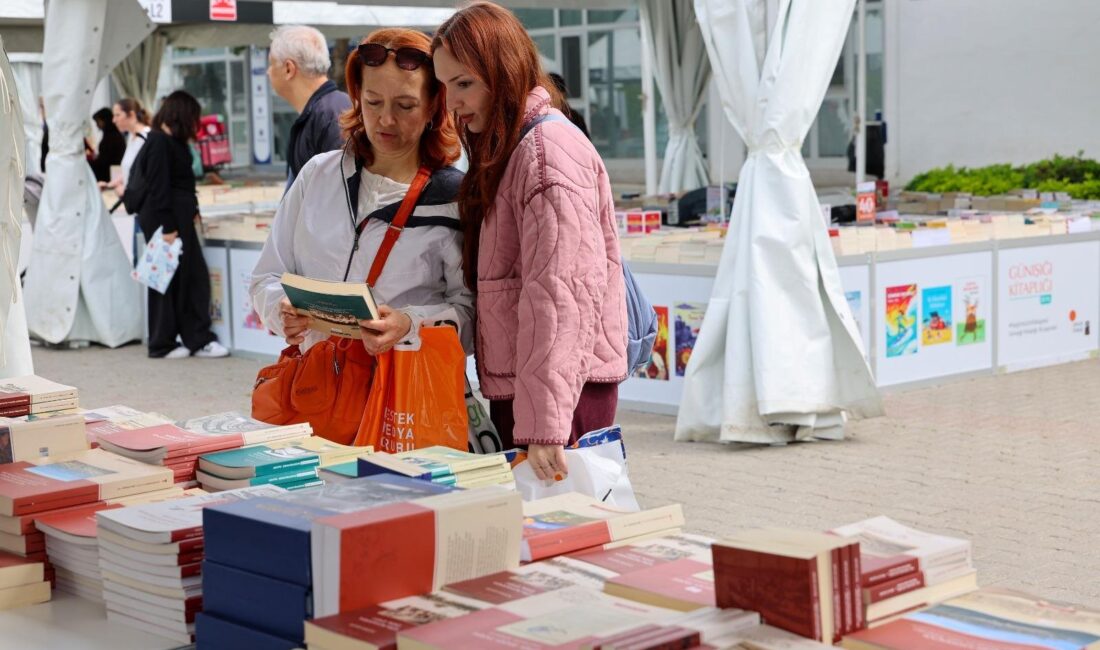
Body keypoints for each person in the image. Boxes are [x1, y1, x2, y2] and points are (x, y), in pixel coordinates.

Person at [432, 2, 627, 480]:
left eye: (464, 83)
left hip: (557, 395)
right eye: (444, 85)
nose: (451, 102)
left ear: (504, 71)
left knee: (562, 531)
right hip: (536, 387)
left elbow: (561, 292)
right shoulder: (515, 147)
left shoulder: (546, 153)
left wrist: (544, 424)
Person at [251, 29, 473, 362]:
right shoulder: (317, 175)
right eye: (372, 101)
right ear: (357, 98)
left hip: (410, 397)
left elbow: (474, 315)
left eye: (405, 105)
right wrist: (278, 309)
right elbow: (266, 276)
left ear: (433, 106)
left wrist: (410, 325)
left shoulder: (453, 198)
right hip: (326, 390)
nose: (386, 119)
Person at [135, 91, 228, 359]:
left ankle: (177, 339)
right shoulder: (160, 142)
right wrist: (168, 227)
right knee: (178, 281)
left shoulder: (166, 141)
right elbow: (159, 186)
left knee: (182, 280)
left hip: (176, 219)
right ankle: (175, 341)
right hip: (170, 222)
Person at [268, 25, 353, 191]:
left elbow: (341, 196)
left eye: (271, 64)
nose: (268, 72)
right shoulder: (325, 111)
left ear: (288, 69)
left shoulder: (332, 116)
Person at [108, 98, 152, 199]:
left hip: (146, 203)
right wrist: (112, 184)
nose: (114, 120)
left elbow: (147, 174)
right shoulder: (131, 137)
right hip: (135, 202)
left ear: (131, 115)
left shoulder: (147, 137)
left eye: (118, 115)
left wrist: (126, 191)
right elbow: (131, 169)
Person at [547, 72, 590, 140]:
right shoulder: (543, 119)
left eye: (551, 94)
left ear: (563, 94)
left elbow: (586, 144)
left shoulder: (576, 118)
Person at [89, 107, 125, 184]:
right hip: (111, 173)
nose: (97, 125)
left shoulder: (111, 137)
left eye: (98, 121)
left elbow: (105, 161)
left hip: (109, 176)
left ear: (104, 120)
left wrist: (90, 162)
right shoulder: (112, 135)